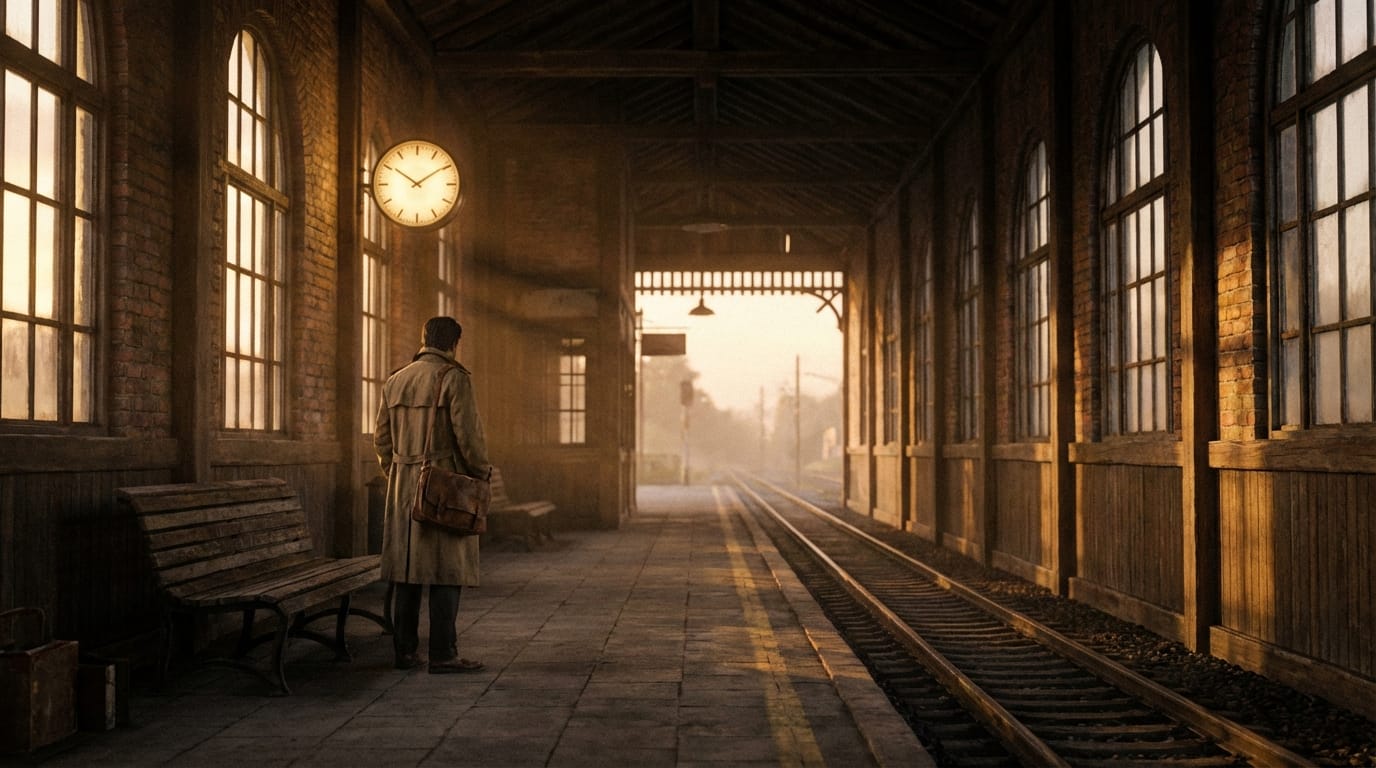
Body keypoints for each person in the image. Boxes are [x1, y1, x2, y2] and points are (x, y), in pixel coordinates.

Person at [374, 316, 490, 674]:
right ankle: (443, 653)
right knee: (447, 571)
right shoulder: (453, 379)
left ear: (424, 339)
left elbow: (382, 441)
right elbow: (468, 438)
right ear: (455, 343)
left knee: (406, 571)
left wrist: (399, 475)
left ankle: (405, 652)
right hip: (444, 486)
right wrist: (480, 473)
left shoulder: (395, 380)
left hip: (403, 489)